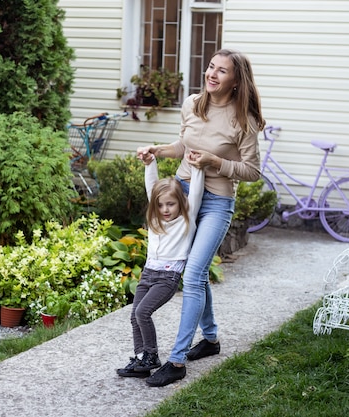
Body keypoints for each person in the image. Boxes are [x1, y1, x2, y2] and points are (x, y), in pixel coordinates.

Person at [137, 49, 266, 387]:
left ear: (236, 81)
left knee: (193, 274)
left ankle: (176, 361)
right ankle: (210, 339)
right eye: (211, 67)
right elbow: (183, 144)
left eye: (222, 71)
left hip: (217, 203)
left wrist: (215, 162)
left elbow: (252, 171)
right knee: (195, 273)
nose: (212, 74)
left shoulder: (244, 121)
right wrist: (157, 151)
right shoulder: (193, 104)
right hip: (184, 196)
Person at [116, 154, 205, 378]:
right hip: (148, 275)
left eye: (171, 204)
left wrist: (197, 169)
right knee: (135, 314)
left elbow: (195, 192)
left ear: (181, 203)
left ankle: (152, 355)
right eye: (161, 204)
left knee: (143, 312)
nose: (165, 209)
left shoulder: (186, 219)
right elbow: (151, 188)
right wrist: (150, 163)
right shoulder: (156, 219)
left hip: (167, 278)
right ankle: (141, 359)